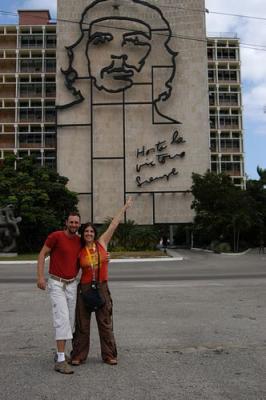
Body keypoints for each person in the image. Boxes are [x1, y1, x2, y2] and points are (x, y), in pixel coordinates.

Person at [70, 197, 133, 366]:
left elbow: (114, 224)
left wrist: (125, 207)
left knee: (105, 323)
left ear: (95, 234)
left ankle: (109, 355)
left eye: (91, 231)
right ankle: (78, 355)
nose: (89, 234)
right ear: (82, 234)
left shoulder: (102, 244)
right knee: (82, 324)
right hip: (84, 289)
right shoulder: (79, 249)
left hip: (102, 287)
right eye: (86, 232)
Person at [37, 212, 81, 374]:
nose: (74, 225)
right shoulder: (56, 236)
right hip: (56, 283)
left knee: (69, 321)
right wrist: (40, 277)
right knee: (61, 319)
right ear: (66, 222)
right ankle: (61, 361)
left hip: (71, 284)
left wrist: (106, 258)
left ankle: (59, 354)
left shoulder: (79, 240)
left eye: (77, 222)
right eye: (71, 222)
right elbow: (42, 254)